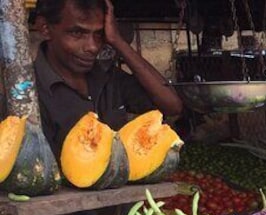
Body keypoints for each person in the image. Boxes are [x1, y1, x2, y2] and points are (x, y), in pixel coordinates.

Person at [33, 0, 183, 157]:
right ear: (45, 28)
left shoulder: (108, 77)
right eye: (77, 33)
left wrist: (117, 41)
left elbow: (172, 106)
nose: (92, 47)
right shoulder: (27, 93)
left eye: (98, 34)